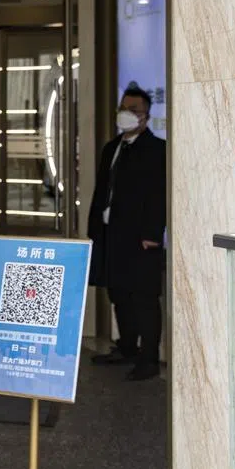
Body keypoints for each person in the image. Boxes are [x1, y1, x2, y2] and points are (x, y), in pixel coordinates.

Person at [87, 87, 167, 381]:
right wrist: (94, 229)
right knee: (118, 292)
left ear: (146, 115)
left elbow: (160, 195)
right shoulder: (112, 147)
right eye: (124, 107)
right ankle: (127, 347)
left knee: (144, 297)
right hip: (111, 234)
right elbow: (102, 191)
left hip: (141, 238)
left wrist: (152, 233)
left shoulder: (158, 150)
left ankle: (149, 358)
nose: (127, 113)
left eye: (134, 109)